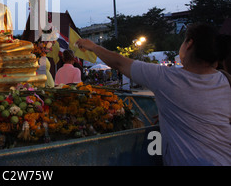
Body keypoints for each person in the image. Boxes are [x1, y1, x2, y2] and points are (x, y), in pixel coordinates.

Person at [76, 23, 231, 166]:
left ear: (189, 44)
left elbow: (119, 63)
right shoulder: (225, 80)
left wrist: (93, 46)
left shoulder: (167, 78)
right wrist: (168, 113)